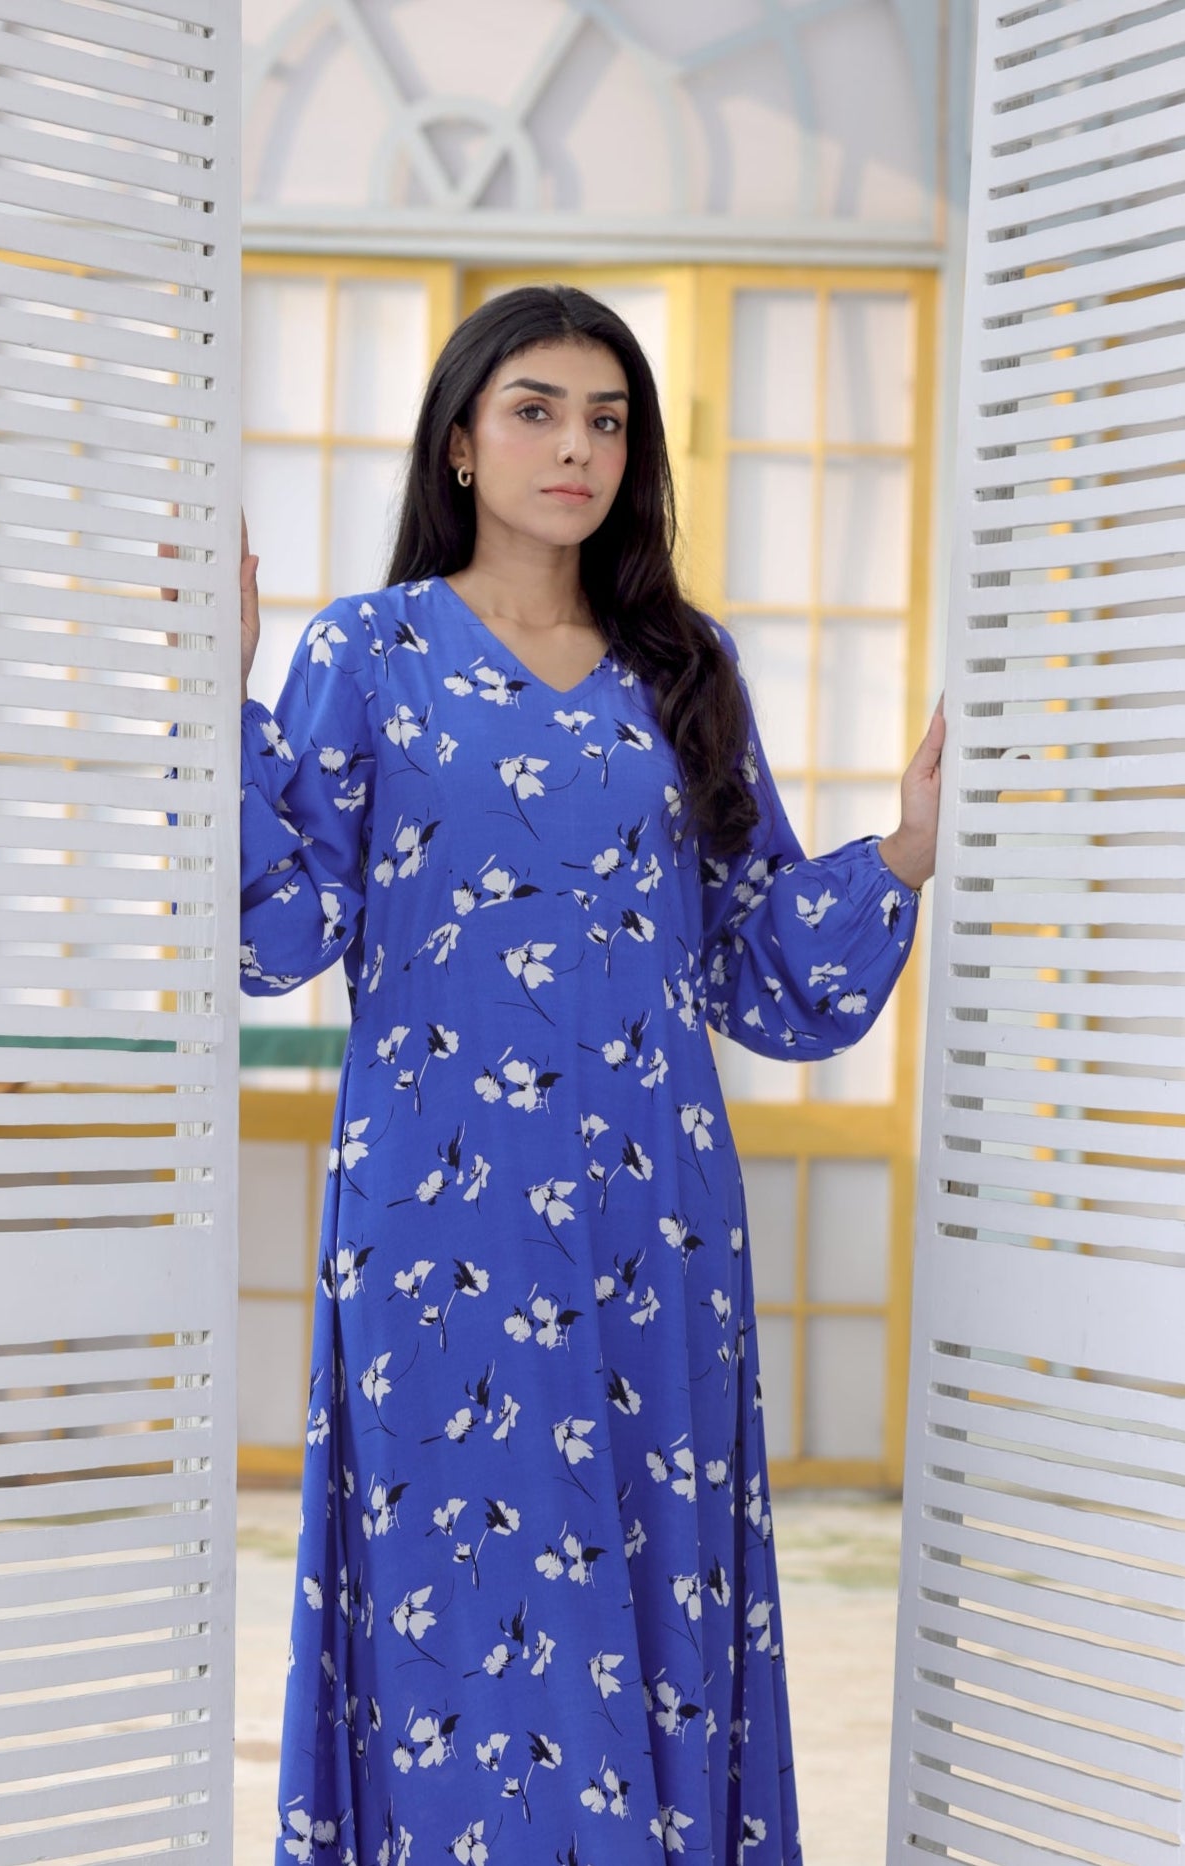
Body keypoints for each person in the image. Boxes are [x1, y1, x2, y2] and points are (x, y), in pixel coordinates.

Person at [236, 285, 943, 1866]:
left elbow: (759, 962)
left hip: (653, 1233)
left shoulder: (682, 663)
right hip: (435, 1233)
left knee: (648, 1594)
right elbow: (283, 933)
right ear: (465, 443)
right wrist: (217, 702)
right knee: (456, 1613)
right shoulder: (370, 650)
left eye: (607, 417)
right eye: (539, 409)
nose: (577, 445)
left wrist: (903, 846)